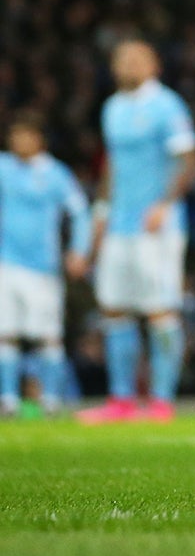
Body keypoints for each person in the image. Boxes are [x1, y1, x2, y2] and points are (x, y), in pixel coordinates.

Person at [77, 39, 195, 424]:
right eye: (121, 58)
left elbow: (189, 161)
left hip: (156, 225)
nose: (128, 64)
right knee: (115, 309)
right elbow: (111, 166)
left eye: (137, 58)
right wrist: (100, 213)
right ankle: (122, 400)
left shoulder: (167, 105)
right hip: (119, 224)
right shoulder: (112, 108)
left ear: (154, 65)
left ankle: (162, 401)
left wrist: (164, 205)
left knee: (160, 310)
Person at [0, 111, 90, 416]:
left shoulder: (56, 174)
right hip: (6, 263)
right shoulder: (4, 168)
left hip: (43, 267)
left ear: (39, 140)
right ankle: (9, 400)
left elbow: (80, 212)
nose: (18, 142)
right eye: (14, 136)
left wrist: (79, 250)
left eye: (25, 135)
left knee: (48, 336)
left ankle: (51, 400)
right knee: (5, 333)